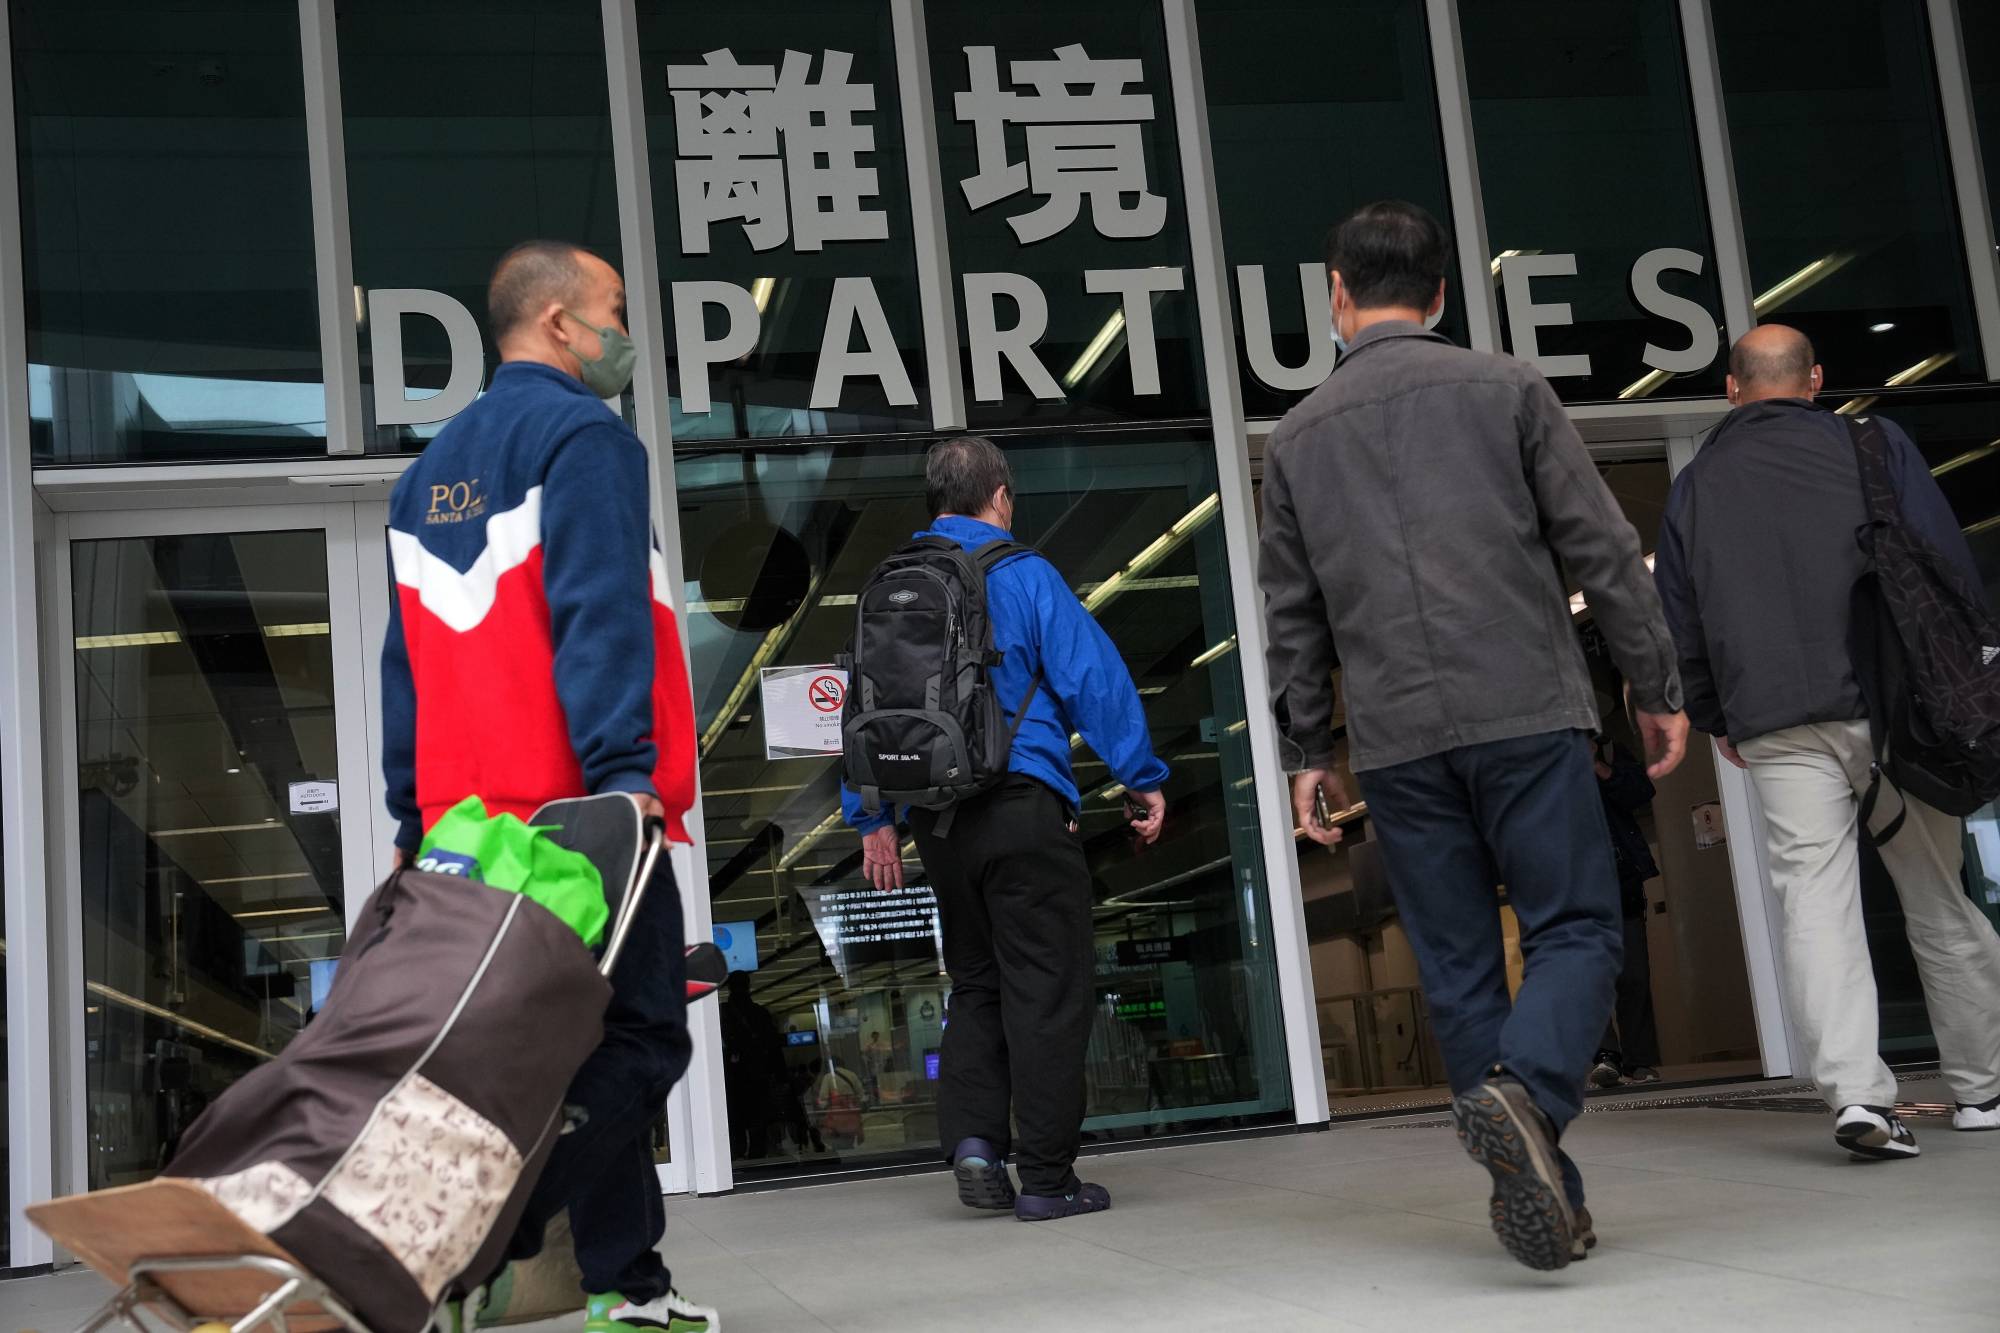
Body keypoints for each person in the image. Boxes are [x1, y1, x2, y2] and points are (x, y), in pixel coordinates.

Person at [1259, 201, 1688, 1271]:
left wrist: (1307, 752)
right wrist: (1653, 681)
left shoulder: (1297, 436)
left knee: (1455, 969)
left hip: (1398, 739)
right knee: (1577, 928)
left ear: (1336, 295)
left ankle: (1552, 1194)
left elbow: (1290, 615)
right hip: (1524, 710)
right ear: (1443, 294)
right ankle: (1533, 1096)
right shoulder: (1507, 389)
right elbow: (1598, 546)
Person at [382, 239, 716, 1332]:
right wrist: (623, 782)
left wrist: (407, 814)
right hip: (576, 816)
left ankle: (629, 1282)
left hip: (465, 825)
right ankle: (490, 1240)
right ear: (559, 325)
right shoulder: (584, 435)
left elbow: (406, 666)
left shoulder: (424, 475)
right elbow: (600, 617)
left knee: (574, 1045)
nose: (623, 332)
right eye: (612, 309)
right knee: (645, 1036)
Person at [1654, 323, 2000, 1160]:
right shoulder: (1873, 443)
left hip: (1773, 719)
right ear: (1814, 379)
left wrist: (1714, 713)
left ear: (1731, 390)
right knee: (1936, 890)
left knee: (1813, 902)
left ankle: (1856, 1097)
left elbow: (1682, 616)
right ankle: (1982, 1089)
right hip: (1890, 708)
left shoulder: (1696, 485)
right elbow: (1944, 562)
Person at [843, 435, 1169, 1222]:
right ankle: (1050, 1179)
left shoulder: (890, 583)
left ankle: (978, 1145)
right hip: (1023, 807)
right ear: (1000, 496)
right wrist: (1142, 776)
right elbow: (1093, 676)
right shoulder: (1023, 574)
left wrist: (873, 819)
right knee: (1047, 989)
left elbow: (863, 707)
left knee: (980, 984)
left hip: (940, 823)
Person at [1585, 733, 1664, 1088]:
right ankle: (1606, 1057)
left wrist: (1597, 766)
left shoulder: (1615, 752)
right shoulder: (1543, 761)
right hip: (1573, 883)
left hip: (1621, 880)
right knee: (1590, 975)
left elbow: (1641, 793)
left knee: (1634, 975)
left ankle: (1639, 1060)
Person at [719, 974, 784, 1160]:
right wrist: (780, 1076)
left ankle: (736, 1156)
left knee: (734, 1120)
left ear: (729, 988)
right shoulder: (760, 1013)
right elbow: (773, 1047)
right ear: (749, 986)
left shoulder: (722, 1013)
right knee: (758, 1121)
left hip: (731, 1078)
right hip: (758, 1076)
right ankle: (757, 1158)